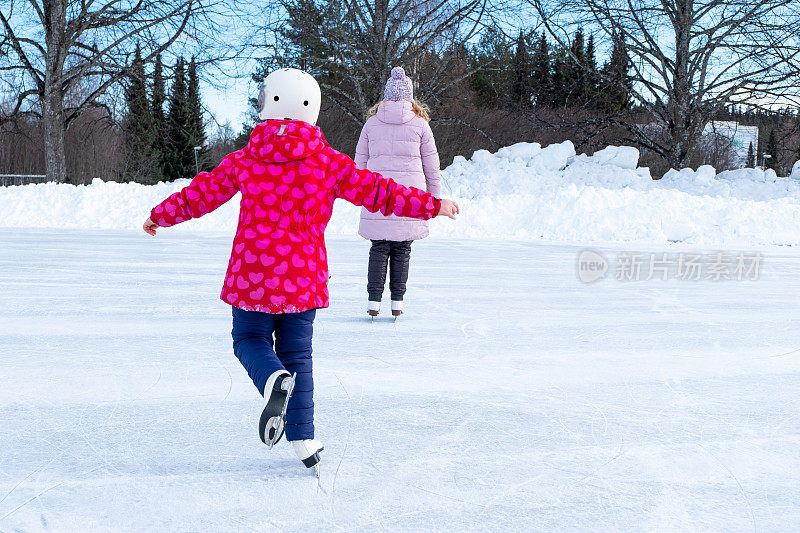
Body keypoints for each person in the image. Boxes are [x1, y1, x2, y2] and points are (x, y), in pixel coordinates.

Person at [142, 68, 459, 474]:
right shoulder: (328, 163)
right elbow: (380, 191)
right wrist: (432, 204)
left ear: (268, 104)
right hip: (301, 279)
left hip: (252, 276)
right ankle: (304, 440)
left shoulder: (246, 158)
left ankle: (271, 379)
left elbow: (202, 192)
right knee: (299, 356)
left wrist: (159, 216)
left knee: (249, 338)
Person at [355, 66, 441, 318]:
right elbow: (431, 166)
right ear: (409, 97)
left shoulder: (370, 124)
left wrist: (359, 191)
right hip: (409, 198)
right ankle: (397, 302)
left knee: (379, 247)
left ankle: (373, 301)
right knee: (402, 249)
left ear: (385, 96)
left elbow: (360, 162)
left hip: (377, 195)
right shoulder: (421, 125)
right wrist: (434, 199)